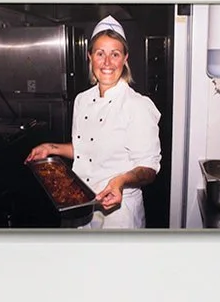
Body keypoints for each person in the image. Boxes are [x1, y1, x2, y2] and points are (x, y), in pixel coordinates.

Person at [26, 17, 160, 230]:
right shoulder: (82, 100)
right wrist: (51, 148)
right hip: (79, 204)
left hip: (119, 214)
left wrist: (121, 181)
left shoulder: (138, 105)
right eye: (100, 54)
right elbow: (86, 149)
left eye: (115, 54)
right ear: (90, 57)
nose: (107, 63)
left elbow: (149, 169)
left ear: (125, 58)